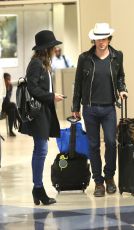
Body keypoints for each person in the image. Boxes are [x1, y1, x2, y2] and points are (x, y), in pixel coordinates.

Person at [72, 23, 128, 197]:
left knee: (111, 142)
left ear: (109, 39)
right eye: (98, 39)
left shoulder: (117, 56)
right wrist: (75, 107)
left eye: (104, 38)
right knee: (94, 145)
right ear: (94, 39)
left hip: (109, 108)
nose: (101, 42)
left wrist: (122, 89)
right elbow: (79, 84)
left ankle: (110, 177)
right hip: (89, 108)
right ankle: (98, 182)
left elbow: (120, 76)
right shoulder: (84, 58)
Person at [18, 30, 64, 205]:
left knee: (41, 150)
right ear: (47, 48)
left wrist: (52, 94)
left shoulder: (43, 63)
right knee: (41, 150)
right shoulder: (36, 64)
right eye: (53, 46)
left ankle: (37, 189)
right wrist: (51, 96)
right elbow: (32, 88)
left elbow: (40, 87)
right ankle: (38, 188)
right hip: (38, 114)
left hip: (43, 112)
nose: (55, 49)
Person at [1, 72, 19, 137]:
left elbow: (7, 100)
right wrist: (7, 91)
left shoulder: (9, 87)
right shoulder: (2, 87)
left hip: (7, 106)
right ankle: (19, 121)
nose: (8, 81)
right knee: (13, 105)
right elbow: (4, 101)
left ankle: (11, 131)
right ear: (4, 79)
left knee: (12, 110)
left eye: (9, 79)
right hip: (3, 108)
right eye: (7, 79)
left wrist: (9, 90)